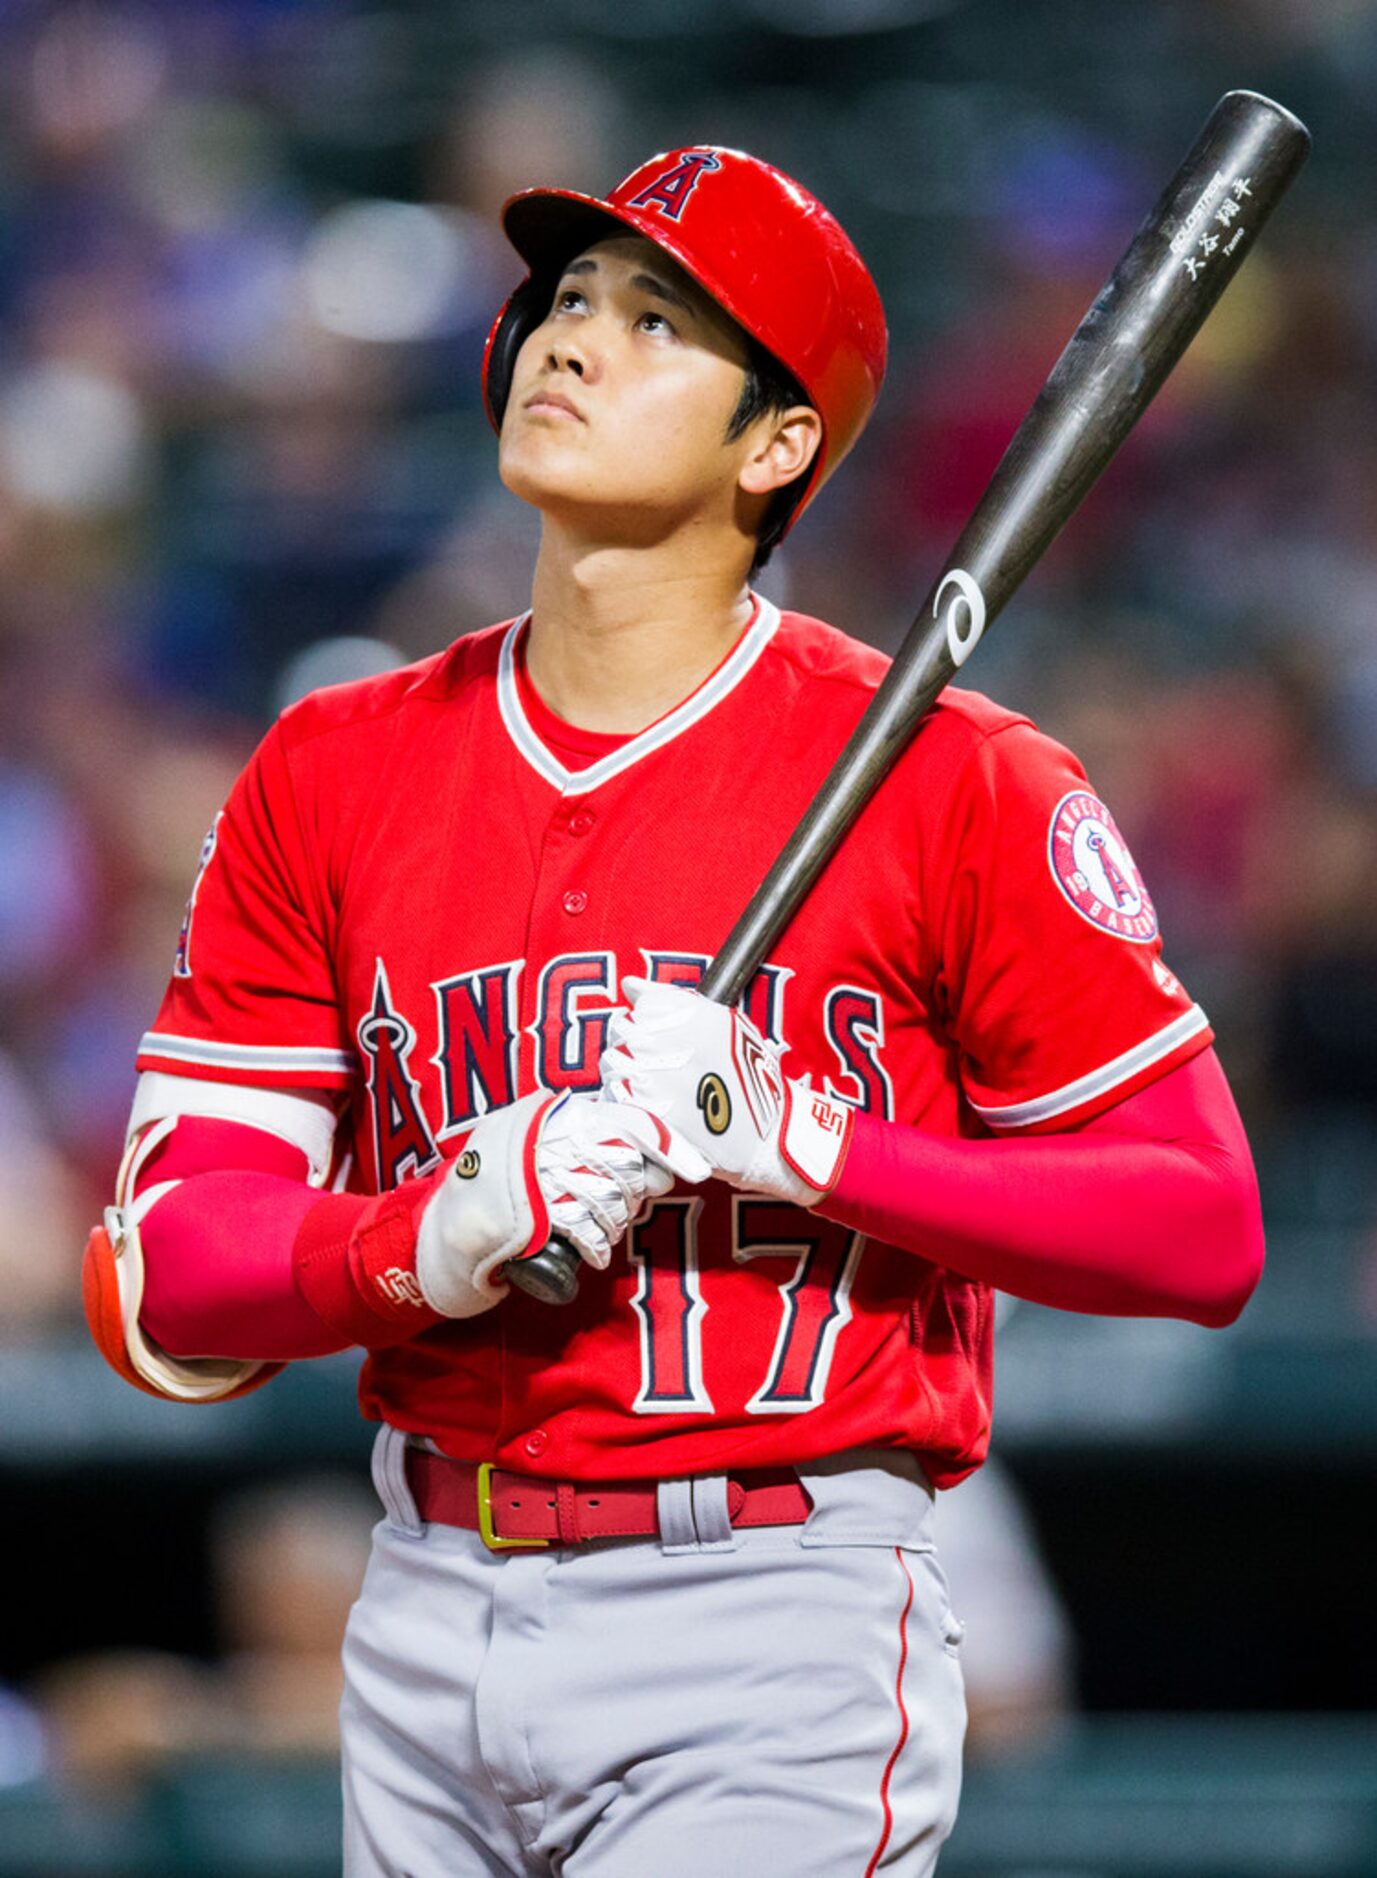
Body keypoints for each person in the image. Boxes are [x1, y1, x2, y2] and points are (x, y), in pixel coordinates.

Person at [85, 146, 1264, 1876]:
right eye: (566, 300)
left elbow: (1200, 1226)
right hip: (421, 1594)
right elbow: (168, 1268)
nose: (573, 338)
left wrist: (804, 1141)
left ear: (773, 444)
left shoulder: (956, 782)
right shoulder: (330, 768)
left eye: (655, 323)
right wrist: (431, 1233)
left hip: (769, 1606)